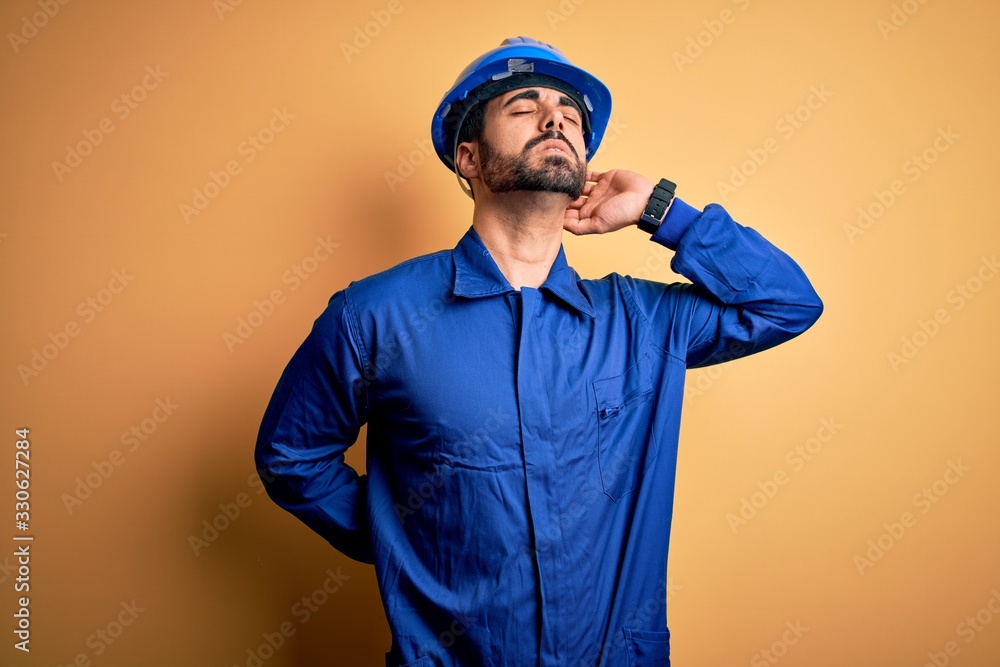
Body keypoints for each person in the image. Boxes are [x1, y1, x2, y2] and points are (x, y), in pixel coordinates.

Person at [255, 36, 822, 667]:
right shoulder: (376, 316)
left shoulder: (642, 320)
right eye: (524, 107)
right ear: (467, 158)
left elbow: (787, 303)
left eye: (570, 114)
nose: (555, 117)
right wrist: (401, 535)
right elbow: (291, 456)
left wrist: (664, 212)